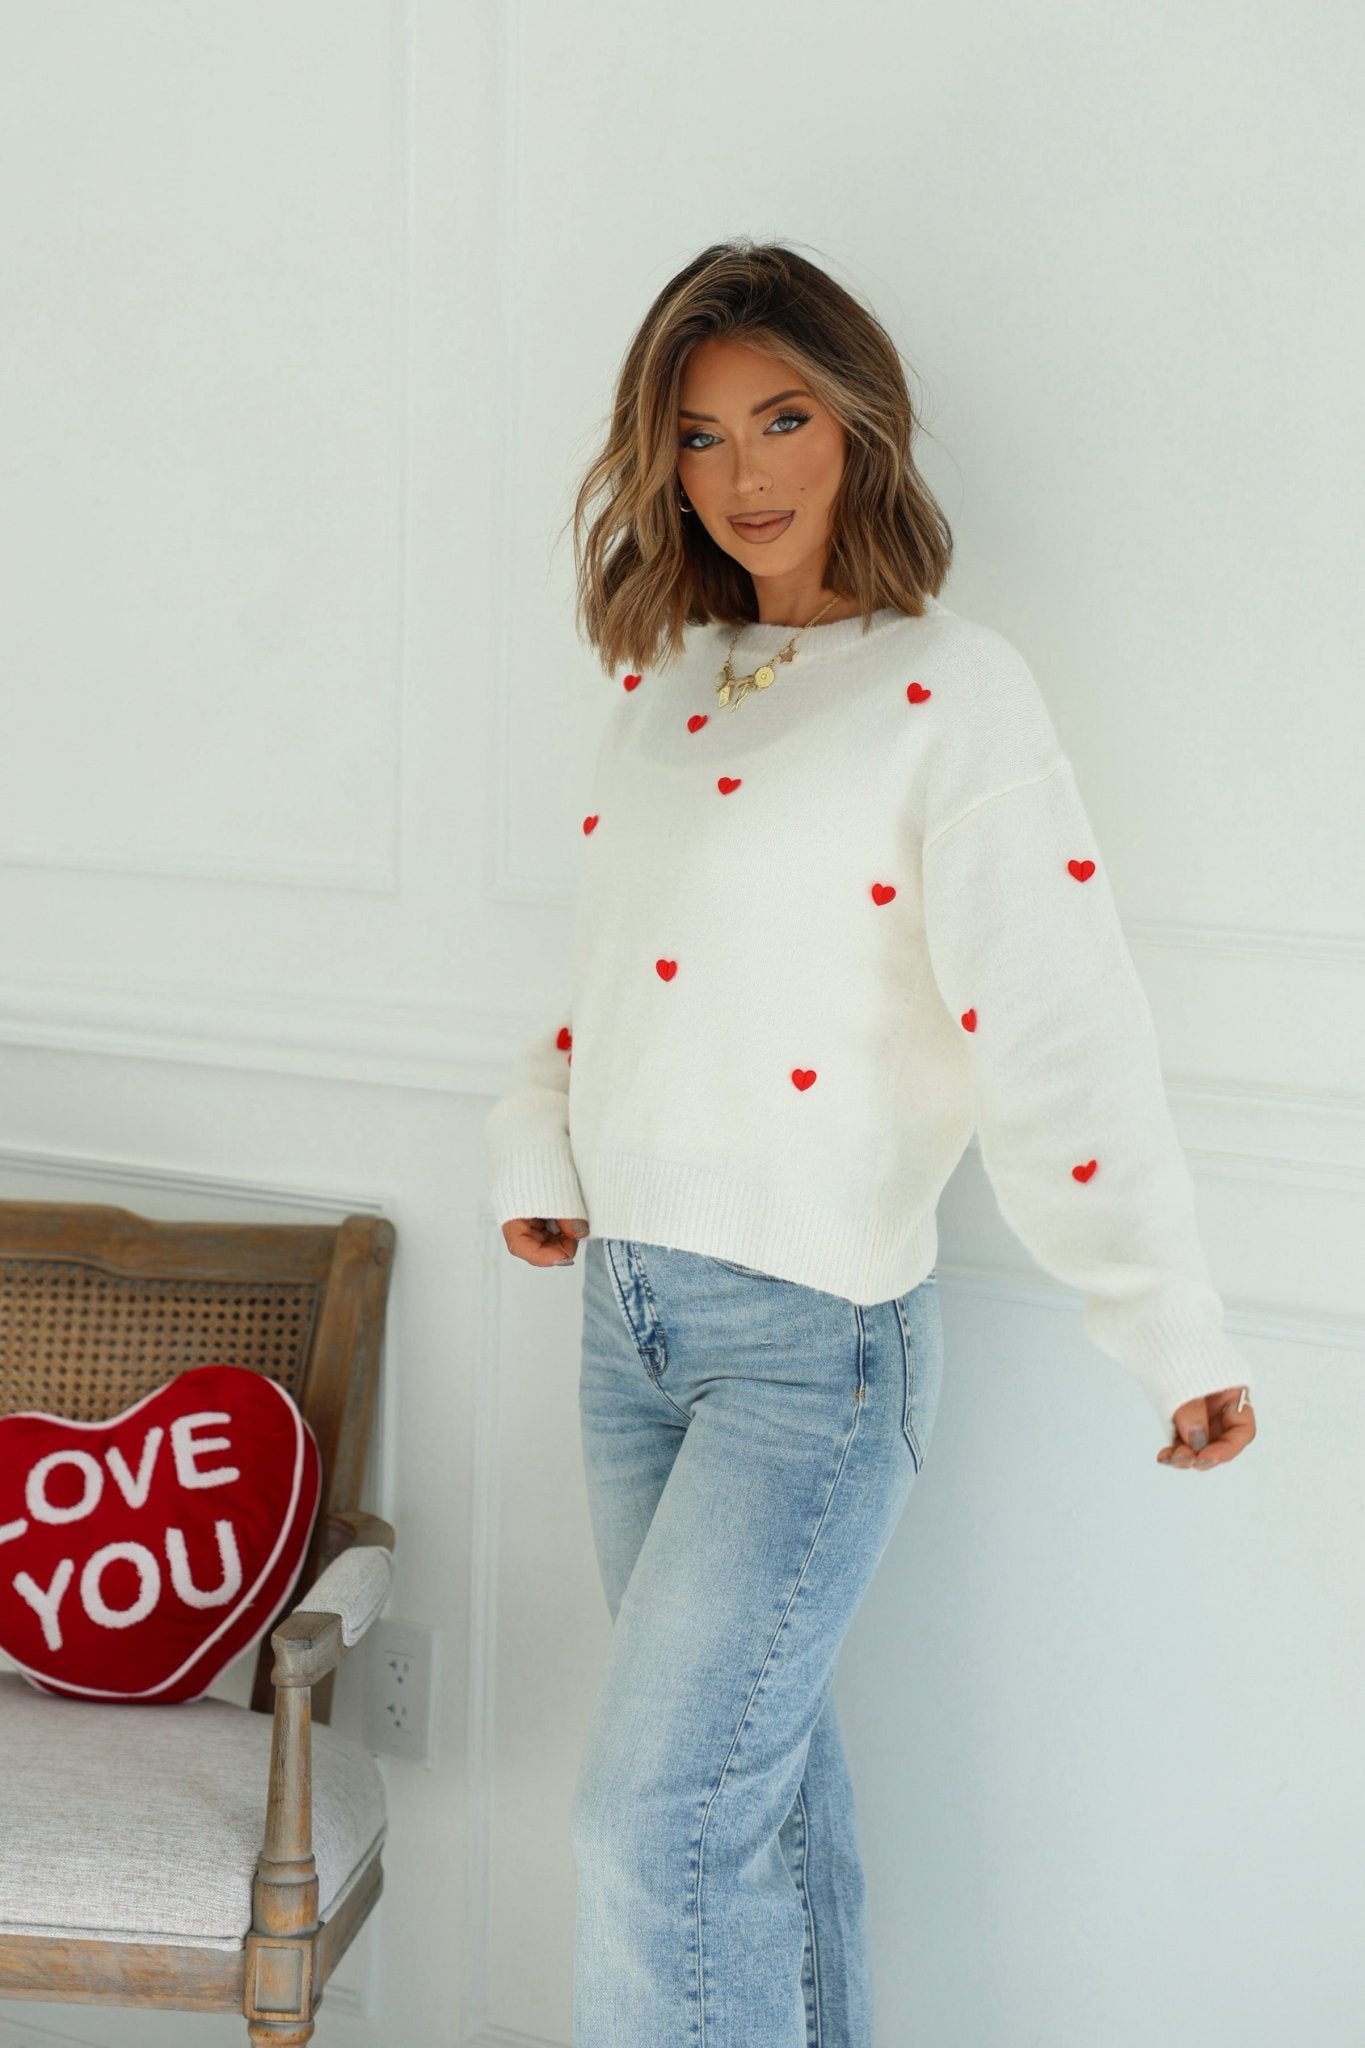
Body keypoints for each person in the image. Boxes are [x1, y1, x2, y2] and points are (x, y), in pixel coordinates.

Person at [482, 238, 1257, 2046]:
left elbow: (1051, 1026)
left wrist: (1170, 1324)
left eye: (783, 420)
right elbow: (607, 976)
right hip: (626, 1324)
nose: (742, 474)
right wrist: (543, 1146)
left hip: (809, 1349)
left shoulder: (954, 690)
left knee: (650, 1826)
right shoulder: (671, 676)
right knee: (744, 1809)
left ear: (859, 427)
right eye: (697, 437)